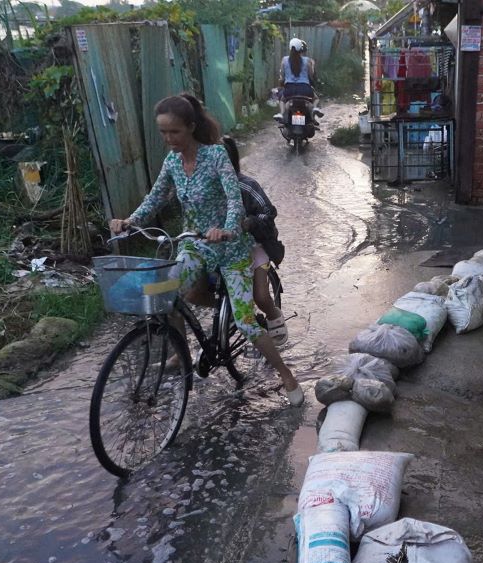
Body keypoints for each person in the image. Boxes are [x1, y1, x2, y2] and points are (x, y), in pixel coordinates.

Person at [109, 93, 303, 406]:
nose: (169, 139)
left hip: (231, 249)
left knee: (245, 321)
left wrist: (226, 227)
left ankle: (285, 373)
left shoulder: (215, 155)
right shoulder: (172, 161)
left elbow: (233, 197)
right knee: (166, 293)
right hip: (194, 246)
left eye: (175, 132)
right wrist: (130, 221)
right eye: (163, 132)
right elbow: (156, 197)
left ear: (191, 127)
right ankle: (181, 354)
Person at [221, 135, 288, 346]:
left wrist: (248, 223)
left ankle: (274, 316)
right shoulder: (208, 189)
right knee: (195, 291)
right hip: (222, 250)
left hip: (255, 245)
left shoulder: (247, 186)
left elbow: (268, 213)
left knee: (260, 296)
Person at [275, 38, 323, 121]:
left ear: (290, 47)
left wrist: (282, 82)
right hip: (304, 89)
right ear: (301, 48)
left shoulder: (284, 60)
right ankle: (315, 108)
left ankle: (282, 113)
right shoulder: (308, 60)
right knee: (316, 98)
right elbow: (311, 75)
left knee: (282, 100)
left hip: (289, 90)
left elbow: (282, 76)